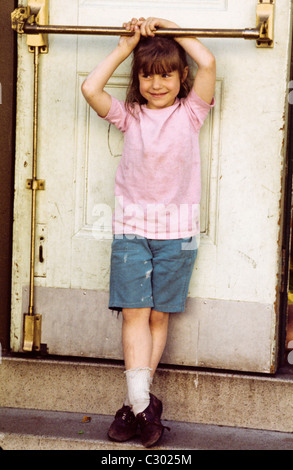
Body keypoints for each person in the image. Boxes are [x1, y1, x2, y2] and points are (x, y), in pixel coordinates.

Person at [81, 16, 216, 447]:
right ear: (137, 80)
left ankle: (134, 405)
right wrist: (125, 48)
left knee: (160, 314)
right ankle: (143, 406)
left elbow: (208, 61)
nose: (157, 84)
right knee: (136, 313)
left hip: (178, 232)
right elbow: (90, 89)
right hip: (131, 231)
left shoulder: (191, 112)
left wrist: (173, 29)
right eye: (147, 75)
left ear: (182, 79)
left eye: (167, 75)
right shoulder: (130, 116)